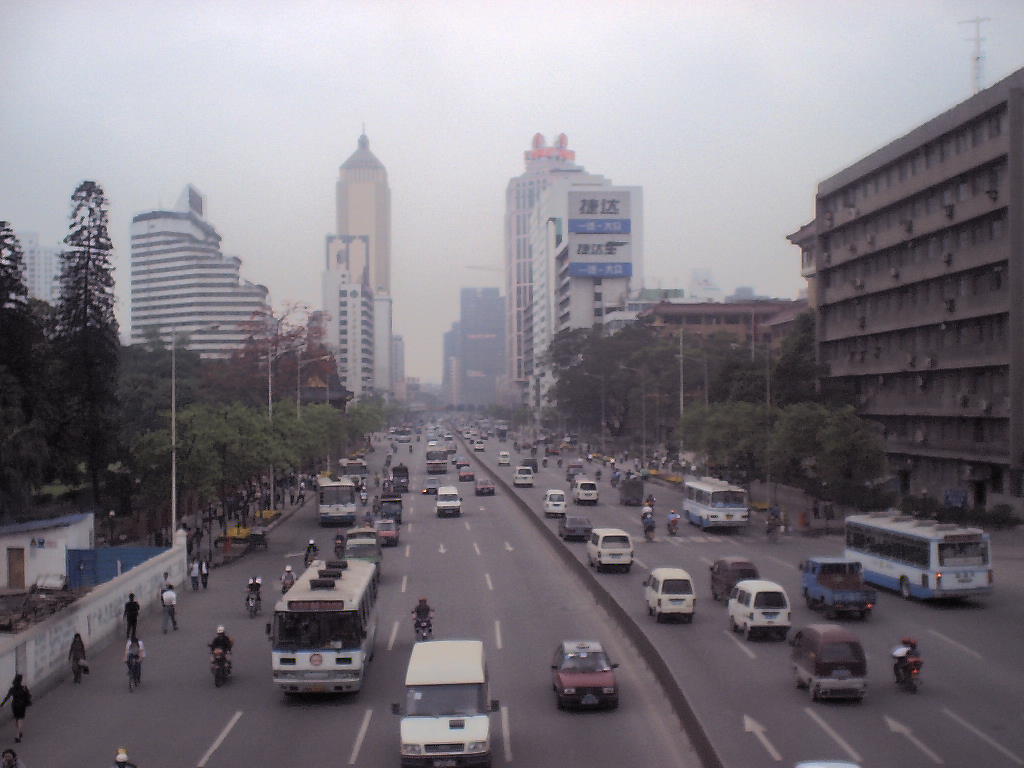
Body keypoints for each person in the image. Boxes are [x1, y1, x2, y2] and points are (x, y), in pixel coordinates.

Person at [0, 675, 30, 742]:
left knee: (17, 719)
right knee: (20, 719)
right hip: (21, 705)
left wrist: (2, 704)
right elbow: (28, 695)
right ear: (20, 681)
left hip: (14, 706)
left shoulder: (12, 689)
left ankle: (19, 731)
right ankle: (17, 735)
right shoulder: (24, 688)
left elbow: (7, 697)